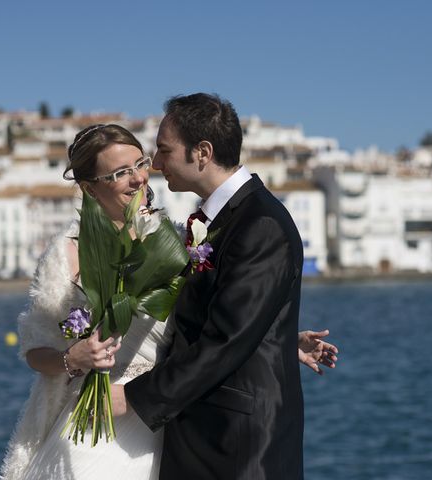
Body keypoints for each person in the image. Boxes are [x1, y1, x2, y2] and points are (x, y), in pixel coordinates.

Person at [0, 122, 337, 480]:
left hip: (173, 425)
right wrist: (72, 358)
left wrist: (278, 340)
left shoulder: (179, 240)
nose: (139, 179)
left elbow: (216, 323)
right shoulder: (67, 252)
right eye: (120, 173)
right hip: (100, 421)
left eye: (140, 164)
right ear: (89, 187)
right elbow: (35, 351)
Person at [110, 93, 313, 479]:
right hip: (207, 434)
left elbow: (225, 339)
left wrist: (132, 399)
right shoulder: (221, 219)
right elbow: (226, 316)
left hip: (240, 447)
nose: (155, 163)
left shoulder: (260, 225)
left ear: (202, 152)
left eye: (164, 150)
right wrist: (283, 338)